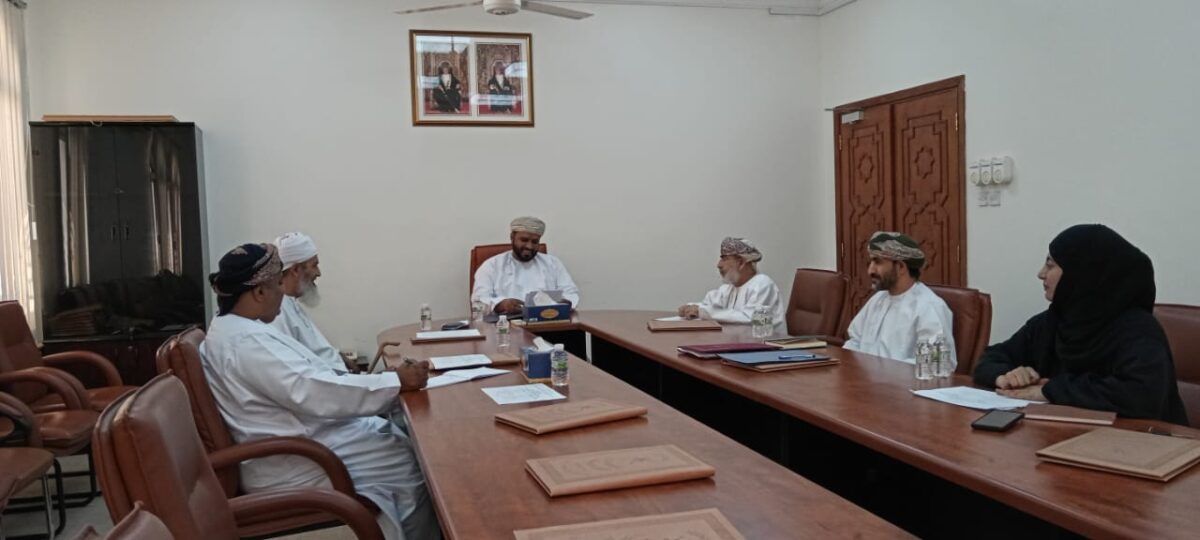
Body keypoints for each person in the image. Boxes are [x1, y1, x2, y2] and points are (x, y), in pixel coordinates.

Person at [200, 243, 441, 539]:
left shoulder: (238, 329)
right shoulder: (244, 343)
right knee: (411, 463)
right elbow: (312, 391)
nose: (283, 292)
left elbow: (311, 377)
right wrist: (395, 381)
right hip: (295, 459)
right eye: (278, 285)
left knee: (401, 439)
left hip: (303, 438)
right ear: (259, 292)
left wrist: (384, 381)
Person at [974, 224, 1187, 424]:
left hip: (1141, 443)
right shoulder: (1053, 321)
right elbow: (990, 357)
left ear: (1082, 273)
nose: (1041, 274)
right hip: (1064, 436)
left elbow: (1140, 396)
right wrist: (1004, 376)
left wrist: (1049, 391)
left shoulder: (1138, 331)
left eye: (1050, 265)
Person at [844, 231, 956, 367]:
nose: (870, 271)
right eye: (871, 262)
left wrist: (884, 372)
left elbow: (937, 363)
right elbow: (854, 342)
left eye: (878, 262)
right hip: (861, 378)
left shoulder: (928, 307)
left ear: (901, 267)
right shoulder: (877, 300)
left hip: (899, 380)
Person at [270, 232, 351, 372]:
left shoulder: (290, 303)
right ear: (296, 270)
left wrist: (338, 357)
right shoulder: (277, 312)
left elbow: (312, 351)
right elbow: (299, 371)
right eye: (314, 266)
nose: (318, 273)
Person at [471, 216, 580, 316]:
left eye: (535, 242)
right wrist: (500, 305)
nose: (529, 246)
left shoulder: (552, 263)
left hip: (547, 322)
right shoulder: (492, 266)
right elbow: (478, 301)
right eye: (524, 240)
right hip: (504, 325)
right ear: (512, 237)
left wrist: (566, 302)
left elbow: (571, 293)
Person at [678, 237, 785, 332]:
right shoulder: (728, 288)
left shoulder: (763, 284)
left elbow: (752, 320)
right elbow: (709, 305)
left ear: (741, 262)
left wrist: (702, 311)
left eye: (724, 259)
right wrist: (691, 307)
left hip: (767, 345)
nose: (719, 265)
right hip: (738, 344)